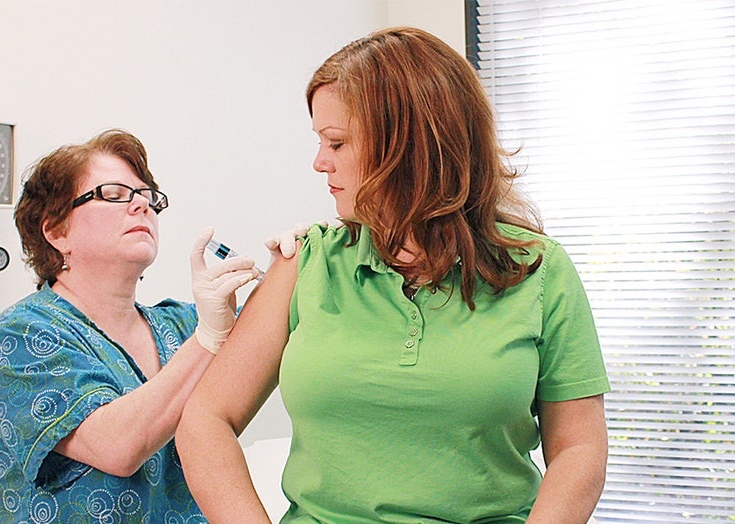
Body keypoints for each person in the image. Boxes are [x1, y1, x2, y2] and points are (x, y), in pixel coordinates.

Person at [175, 27, 611, 523]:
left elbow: (578, 449)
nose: (319, 163)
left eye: (336, 143)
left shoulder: (539, 271)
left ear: (410, 147)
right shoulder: (306, 262)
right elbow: (205, 420)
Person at [0, 128, 268, 523]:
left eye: (148, 198)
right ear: (56, 231)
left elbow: (282, 329)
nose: (141, 206)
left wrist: (297, 263)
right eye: (114, 194)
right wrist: (211, 338)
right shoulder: (22, 335)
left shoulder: (180, 325)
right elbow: (118, 447)